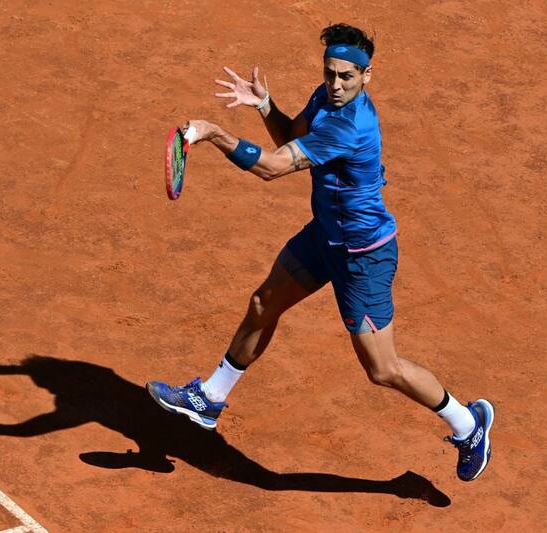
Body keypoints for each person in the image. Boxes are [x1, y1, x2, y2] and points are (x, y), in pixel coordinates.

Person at [147, 23, 494, 482]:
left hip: (362, 257)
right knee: (263, 303)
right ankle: (209, 398)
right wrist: (265, 106)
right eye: (329, 73)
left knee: (383, 369)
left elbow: (272, 168)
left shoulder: (351, 126)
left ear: (367, 76)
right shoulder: (325, 98)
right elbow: (287, 139)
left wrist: (212, 132)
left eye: (346, 77)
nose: (335, 84)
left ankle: (468, 424)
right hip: (325, 236)